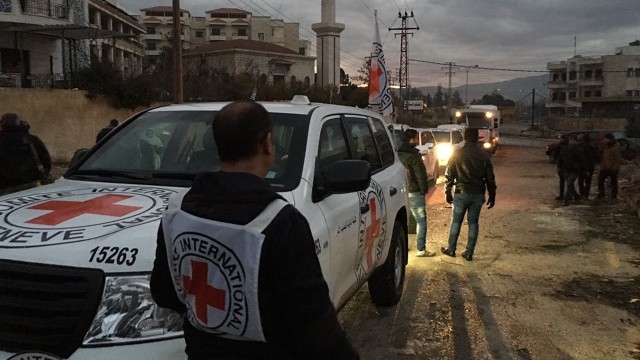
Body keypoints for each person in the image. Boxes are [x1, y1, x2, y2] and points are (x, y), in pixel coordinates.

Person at [150, 100, 359, 360]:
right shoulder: (280, 222)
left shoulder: (178, 212)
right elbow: (313, 322)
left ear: (218, 146)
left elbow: (164, 292)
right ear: (267, 144)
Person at [441, 128, 496, 261]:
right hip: (478, 193)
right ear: (477, 137)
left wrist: (448, 192)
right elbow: (490, 178)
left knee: (456, 222)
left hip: (461, 192)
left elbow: (449, 174)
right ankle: (469, 252)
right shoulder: (484, 155)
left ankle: (451, 249)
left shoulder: (457, 154)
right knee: (473, 223)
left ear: (465, 137)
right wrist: (492, 195)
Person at [397, 128, 435, 257]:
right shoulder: (414, 155)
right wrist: (424, 190)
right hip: (414, 191)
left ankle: (404, 247)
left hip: (400, 192)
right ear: (412, 139)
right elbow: (420, 175)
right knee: (421, 220)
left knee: (404, 221)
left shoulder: (396, 154)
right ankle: (421, 249)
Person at [0, 113, 52, 196]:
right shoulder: (31, 139)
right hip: (31, 182)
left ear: (3, 125)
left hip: (5, 185)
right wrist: (44, 173)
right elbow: (46, 161)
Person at [558, 136, 585, 206]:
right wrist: (559, 167)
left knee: (569, 183)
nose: (572, 142)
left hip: (574, 170)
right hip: (566, 169)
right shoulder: (564, 149)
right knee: (570, 184)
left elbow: (582, 160)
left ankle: (566, 200)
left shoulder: (579, 150)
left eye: (573, 141)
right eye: (571, 141)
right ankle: (576, 196)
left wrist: (582, 169)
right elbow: (561, 158)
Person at [597, 133, 623, 199]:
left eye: (606, 139)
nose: (605, 140)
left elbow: (618, 159)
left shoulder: (615, 147)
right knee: (600, 181)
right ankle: (601, 194)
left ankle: (614, 196)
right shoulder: (604, 146)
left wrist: (615, 168)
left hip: (612, 168)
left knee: (613, 182)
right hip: (604, 167)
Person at [577, 134, 599, 200]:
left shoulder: (580, 147)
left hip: (582, 167)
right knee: (587, 182)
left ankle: (582, 194)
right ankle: (585, 195)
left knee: (581, 181)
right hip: (589, 167)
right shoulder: (593, 148)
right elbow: (596, 158)